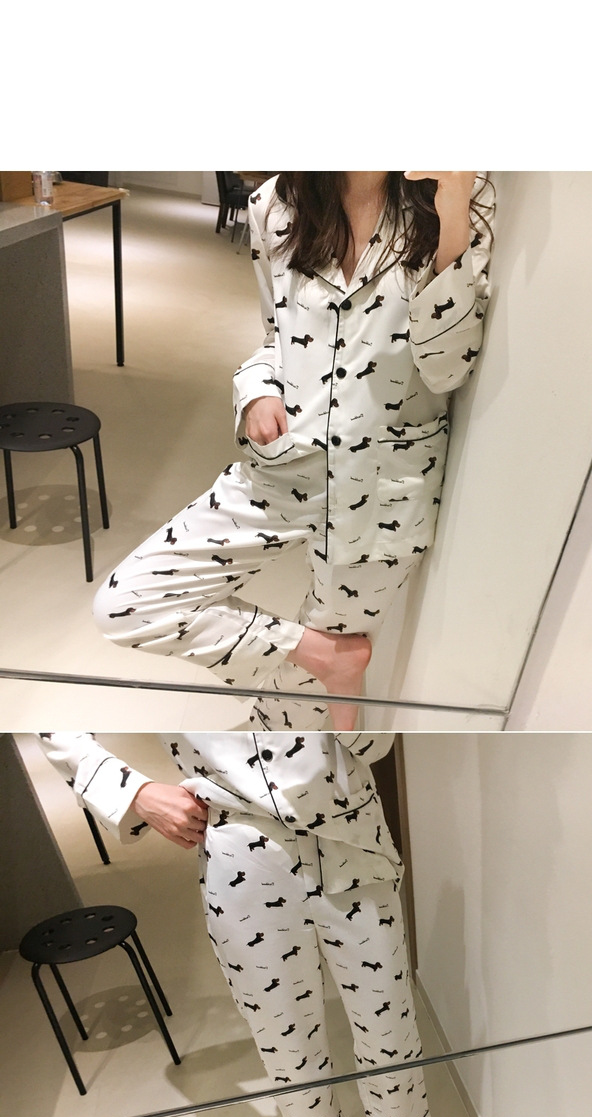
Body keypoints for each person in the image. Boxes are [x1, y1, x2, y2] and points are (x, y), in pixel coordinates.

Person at [93, 172, 494, 727]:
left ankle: (290, 735)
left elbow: (448, 370)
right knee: (127, 603)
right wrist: (257, 390)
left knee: (300, 713)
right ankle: (324, 667)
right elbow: (275, 336)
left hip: (382, 489)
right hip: (286, 465)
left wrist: (451, 216)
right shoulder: (275, 202)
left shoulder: (463, 193)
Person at [40, 731, 456, 1117]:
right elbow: (48, 717)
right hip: (239, 840)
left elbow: (373, 738)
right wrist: (133, 791)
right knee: (283, 1028)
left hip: (350, 827)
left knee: (388, 1010)